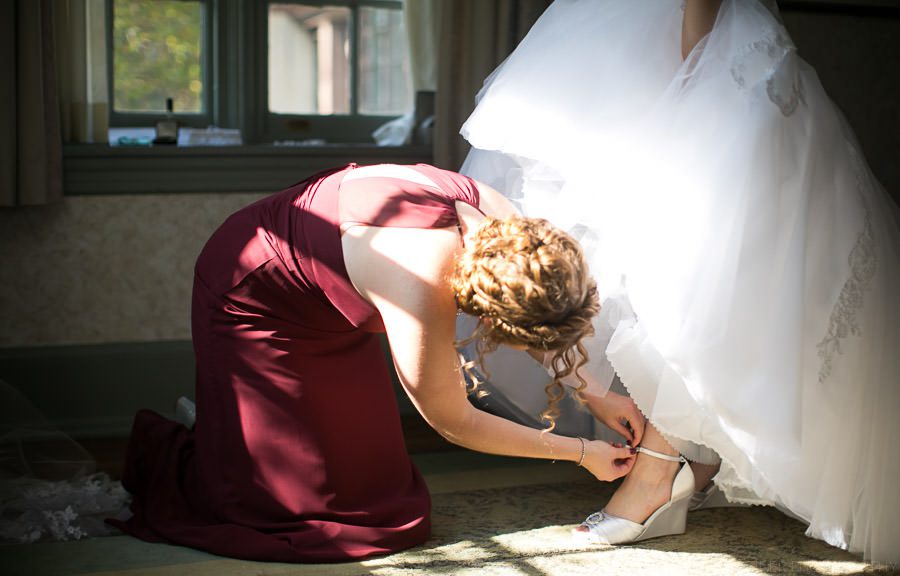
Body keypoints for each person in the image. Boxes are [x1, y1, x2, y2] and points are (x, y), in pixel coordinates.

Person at [459, 0, 900, 565]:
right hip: (622, 42)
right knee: (655, 253)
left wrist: (696, 80)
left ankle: (662, 471)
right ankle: (692, 459)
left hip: (705, 53)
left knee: (696, 259)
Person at [107, 162, 640, 563]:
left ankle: (232, 442)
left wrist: (592, 390)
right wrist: (581, 452)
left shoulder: (509, 231)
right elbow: (452, 420)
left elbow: (536, 309)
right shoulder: (420, 279)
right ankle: (197, 453)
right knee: (326, 519)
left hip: (330, 294)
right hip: (254, 296)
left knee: (384, 501)